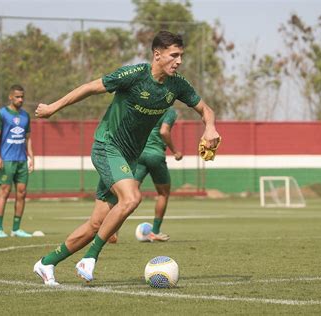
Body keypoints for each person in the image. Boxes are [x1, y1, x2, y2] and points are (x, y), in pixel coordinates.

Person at [33, 31, 220, 285]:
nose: (179, 61)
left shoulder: (177, 85)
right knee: (132, 197)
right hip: (107, 147)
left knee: (96, 223)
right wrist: (53, 108)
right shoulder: (134, 75)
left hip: (128, 157)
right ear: (157, 54)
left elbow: (206, 110)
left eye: (181, 56)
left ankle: (46, 263)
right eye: (174, 55)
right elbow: (90, 87)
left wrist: (210, 127)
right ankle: (90, 258)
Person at [136, 107, 183, 242]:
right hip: (155, 155)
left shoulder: (145, 106)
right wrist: (175, 151)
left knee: (126, 193)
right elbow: (164, 131)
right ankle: (155, 232)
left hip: (139, 154)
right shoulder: (169, 111)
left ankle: (112, 232)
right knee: (163, 193)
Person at [0, 84, 34, 238]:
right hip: (7, 159)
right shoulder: (2, 114)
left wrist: (31, 157)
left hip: (22, 160)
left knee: (22, 193)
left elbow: (28, 139)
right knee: (4, 192)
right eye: (17, 96)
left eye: (22, 96)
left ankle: (16, 229)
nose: (20, 99)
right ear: (11, 97)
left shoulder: (25, 116)